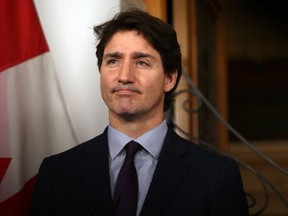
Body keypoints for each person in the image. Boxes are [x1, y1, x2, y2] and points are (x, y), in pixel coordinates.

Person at [30, 8, 248, 216]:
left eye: (142, 62)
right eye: (113, 61)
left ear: (170, 78)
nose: (124, 76)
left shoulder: (216, 175)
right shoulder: (57, 173)